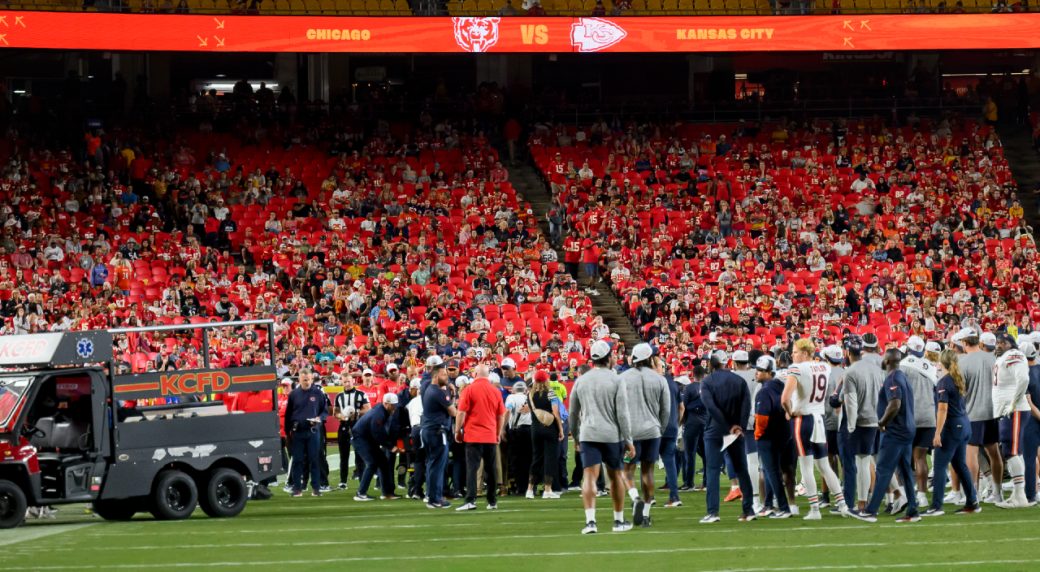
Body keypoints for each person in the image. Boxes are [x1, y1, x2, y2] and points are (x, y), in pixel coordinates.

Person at [570, 340, 635, 534]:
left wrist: (575, 437)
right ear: (609, 358)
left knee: (589, 476)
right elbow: (622, 414)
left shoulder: (581, 380)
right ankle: (618, 520)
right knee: (615, 477)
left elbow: (573, 413)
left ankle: (590, 522)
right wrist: (629, 440)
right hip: (611, 435)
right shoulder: (616, 380)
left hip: (588, 434)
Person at [851, 349, 921, 523]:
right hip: (907, 429)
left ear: (888, 360)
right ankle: (913, 510)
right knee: (905, 471)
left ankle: (871, 510)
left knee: (882, 469)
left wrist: (881, 422)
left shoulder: (893, 378)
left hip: (896, 432)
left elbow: (895, 404)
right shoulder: (902, 376)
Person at [782, 339, 848, 519]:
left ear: (804, 353)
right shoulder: (824, 367)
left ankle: (815, 510)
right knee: (825, 466)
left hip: (803, 420)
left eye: (795, 352)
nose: (792, 355)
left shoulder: (796, 369)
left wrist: (789, 412)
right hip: (819, 418)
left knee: (806, 466)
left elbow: (784, 398)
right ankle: (842, 505)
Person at [700, 350, 755, 523]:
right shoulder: (739, 380)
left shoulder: (707, 381)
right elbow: (747, 405)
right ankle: (748, 510)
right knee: (741, 469)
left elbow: (711, 408)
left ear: (711, 363)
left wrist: (728, 427)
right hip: (736, 430)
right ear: (727, 362)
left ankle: (713, 512)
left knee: (713, 470)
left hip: (715, 431)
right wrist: (739, 426)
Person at [620, 343, 671, 527]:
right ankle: (647, 515)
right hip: (652, 431)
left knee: (627, 470)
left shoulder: (623, 378)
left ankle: (635, 498)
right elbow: (666, 410)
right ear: (650, 358)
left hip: (631, 432)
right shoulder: (659, 379)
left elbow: (618, 408)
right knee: (648, 472)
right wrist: (660, 429)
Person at [924, 350, 979, 516]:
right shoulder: (957, 378)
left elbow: (942, 409)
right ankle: (972, 501)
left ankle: (936, 506)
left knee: (940, 466)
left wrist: (937, 433)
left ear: (942, 362)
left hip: (952, 427)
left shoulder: (944, 382)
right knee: (959, 464)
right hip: (964, 425)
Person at [835, 335, 882, 512]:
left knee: (858, 463)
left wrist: (851, 427)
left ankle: (859, 502)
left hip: (859, 421)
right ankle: (863, 502)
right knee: (865, 461)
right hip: (874, 419)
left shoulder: (850, 372)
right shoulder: (876, 369)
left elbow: (851, 403)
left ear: (847, 352)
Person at [958, 328, 1002, 504]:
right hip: (993, 412)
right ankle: (998, 492)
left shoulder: (963, 362)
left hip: (972, 412)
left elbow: (961, 391)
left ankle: (972, 494)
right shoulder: (993, 359)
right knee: (994, 452)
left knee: (971, 454)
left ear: (964, 343)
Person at [455, 364, 506, 511]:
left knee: (472, 469)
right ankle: (492, 501)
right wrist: (497, 433)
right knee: (491, 470)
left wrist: (457, 430)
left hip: (473, 435)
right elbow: (500, 414)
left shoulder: (468, 389)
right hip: (490, 435)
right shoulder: (495, 391)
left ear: (475, 373)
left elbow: (461, 412)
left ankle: (471, 499)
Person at [993, 332, 1031, 508]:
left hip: (1014, 409)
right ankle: (1018, 493)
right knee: (1013, 450)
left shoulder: (1014, 355)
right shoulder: (1004, 357)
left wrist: (1013, 402)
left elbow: (1023, 379)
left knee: (1011, 451)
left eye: (1003, 342)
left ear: (1011, 344)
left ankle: (1020, 495)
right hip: (1008, 409)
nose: (999, 345)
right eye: (998, 342)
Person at [899, 335, 938, 507]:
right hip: (929, 416)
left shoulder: (902, 366)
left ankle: (906, 494)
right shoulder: (931, 366)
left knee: (904, 458)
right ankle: (922, 495)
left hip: (909, 417)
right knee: (921, 458)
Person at [753, 355, 792, 519]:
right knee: (772, 470)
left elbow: (762, 418)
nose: (757, 373)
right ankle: (768, 504)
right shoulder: (781, 386)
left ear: (769, 372)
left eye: (761, 370)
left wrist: (757, 434)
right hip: (783, 434)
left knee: (772, 471)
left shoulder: (765, 391)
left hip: (768, 436)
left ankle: (783, 507)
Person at [421, 356, 457, 509]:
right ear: (436, 375)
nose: (447, 376)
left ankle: (432, 495)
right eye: (443, 374)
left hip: (429, 430)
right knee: (437, 465)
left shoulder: (428, 387)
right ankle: (435, 498)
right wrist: (454, 397)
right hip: (437, 431)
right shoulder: (437, 392)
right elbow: (453, 412)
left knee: (432, 464)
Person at [284, 369, 327, 497]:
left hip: (313, 431)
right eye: (304, 379)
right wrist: (287, 432)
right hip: (297, 431)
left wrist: (319, 419)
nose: (306, 380)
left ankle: (316, 488)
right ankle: (297, 488)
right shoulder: (294, 394)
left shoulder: (318, 393)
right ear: (299, 380)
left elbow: (324, 411)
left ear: (312, 379)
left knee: (314, 459)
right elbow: (288, 414)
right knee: (297, 460)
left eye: (308, 378)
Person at [351, 393, 402, 502]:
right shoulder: (379, 414)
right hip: (360, 438)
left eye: (395, 404)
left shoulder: (383, 411)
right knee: (372, 463)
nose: (395, 407)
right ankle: (361, 493)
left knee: (383, 462)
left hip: (367, 438)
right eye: (393, 405)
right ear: (386, 404)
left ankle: (387, 493)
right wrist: (390, 446)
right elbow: (377, 433)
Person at [525, 369, 565, 501]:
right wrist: (561, 429)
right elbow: (555, 413)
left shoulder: (530, 394)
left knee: (536, 458)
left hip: (535, 429)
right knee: (550, 459)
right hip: (549, 429)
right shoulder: (551, 393)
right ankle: (547, 489)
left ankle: (530, 489)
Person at [731, 350, 762, 512]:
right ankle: (770, 498)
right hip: (761, 417)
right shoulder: (756, 373)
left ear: (735, 362)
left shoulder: (732, 377)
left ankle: (755, 498)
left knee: (749, 461)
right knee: (763, 462)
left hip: (742, 422)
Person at [334, 372, 371, 490]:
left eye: (349, 381)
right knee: (343, 455)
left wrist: (356, 412)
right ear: (341, 382)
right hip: (344, 426)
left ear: (353, 381)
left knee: (359, 455)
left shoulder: (361, 394)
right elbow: (335, 412)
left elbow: (368, 409)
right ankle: (343, 481)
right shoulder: (339, 396)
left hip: (358, 426)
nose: (347, 383)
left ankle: (362, 480)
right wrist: (342, 416)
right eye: (344, 381)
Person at [680, 366, 707, 492]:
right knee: (706, 454)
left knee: (689, 454)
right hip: (706, 423)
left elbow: (683, 406)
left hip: (692, 423)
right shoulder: (708, 387)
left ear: (693, 374)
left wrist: (681, 422)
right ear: (704, 374)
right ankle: (707, 482)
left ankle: (689, 483)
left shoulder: (689, 388)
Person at [1021, 340, 1040, 505]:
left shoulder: (1024, 373)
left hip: (1032, 421)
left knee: (1029, 458)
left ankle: (1031, 495)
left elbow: (1028, 402)